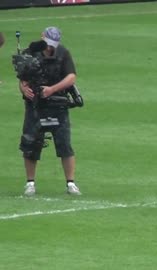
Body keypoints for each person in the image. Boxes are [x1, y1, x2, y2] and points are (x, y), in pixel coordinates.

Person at [18, 26, 81, 196]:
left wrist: (52, 89)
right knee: (30, 144)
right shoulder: (30, 52)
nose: (49, 47)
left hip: (57, 104)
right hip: (35, 105)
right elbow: (22, 76)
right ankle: (30, 183)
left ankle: (71, 183)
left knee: (65, 145)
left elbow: (71, 77)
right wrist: (24, 89)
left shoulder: (63, 53)